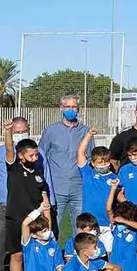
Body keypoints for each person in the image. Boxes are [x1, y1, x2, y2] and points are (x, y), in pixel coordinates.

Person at [0, 117, 50, 271]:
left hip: (34, 214)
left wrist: (47, 209)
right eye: (16, 132)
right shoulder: (9, 160)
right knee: (0, 251)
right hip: (6, 211)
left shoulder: (37, 161)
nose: (20, 134)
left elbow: (45, 185)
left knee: (33, 252)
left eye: (23, 131)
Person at [2, 121, 52, 271]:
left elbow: (44, 197)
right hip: (16, 218)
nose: (35, 156)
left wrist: (47, 219)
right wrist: (8, 132)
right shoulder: (14, 166)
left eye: (36, 153)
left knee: (36, 254)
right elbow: (9, 148)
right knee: (17, 255)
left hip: (36, 220)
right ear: (21, 156)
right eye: (31, 154)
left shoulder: (38, 171)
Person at [38, 94, 91, 238]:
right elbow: (41, 157)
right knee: (52, 225)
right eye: (67, 107)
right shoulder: (50, 131)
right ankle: (52, 256)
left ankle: (77, 256)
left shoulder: (86, 131)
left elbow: (90, 158)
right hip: (55, 187)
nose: (71, 110)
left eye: (74, 107)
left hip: (79, 187)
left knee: (80, 227)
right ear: (61, 108)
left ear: (79, 109)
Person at [19, 203, 61, 271]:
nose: (47, 232)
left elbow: (59, 267)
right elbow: (25, 224)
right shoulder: (29, 245)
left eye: (47, 229)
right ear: (33, 235)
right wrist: (39, 210)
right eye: (43, 231)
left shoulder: (54, 245)